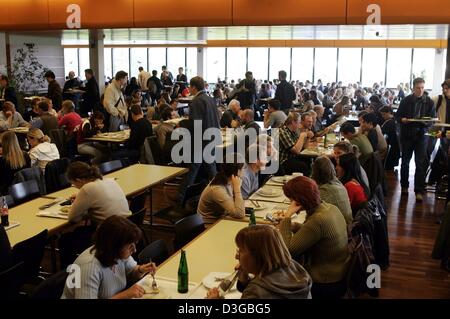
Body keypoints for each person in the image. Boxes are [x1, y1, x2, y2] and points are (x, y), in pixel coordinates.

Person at [279, 176, 349, 299]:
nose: (290, 203)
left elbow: (288, 251)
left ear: (298, 201)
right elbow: (313, 233)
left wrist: (287, 217)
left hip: (325, 282)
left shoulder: (317, 220)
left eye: (291, 200)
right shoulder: (329, 208)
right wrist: (293, 226)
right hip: (340, 272)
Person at [61, 215, 156, 299]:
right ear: (114, 245)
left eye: (134, 244)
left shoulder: (118, 254)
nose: (134, 250)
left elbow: (131, 272)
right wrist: (125, 295)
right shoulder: (90, 267)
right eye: (129, 246)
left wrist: (141, 269)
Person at [207, 225, 312, 299]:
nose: (237, 256)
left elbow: (261, 292)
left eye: (241, 250)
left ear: (258, 255)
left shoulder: (255, 292)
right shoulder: (295, 268)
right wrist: (245, 280)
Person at [178, 76, 220, 203]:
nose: (189, 89)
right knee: (210, 167)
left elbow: (195, 123)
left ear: (194, 87)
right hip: (212, 135)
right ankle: (220, 194)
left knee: (192, 169)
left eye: (190, 87)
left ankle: (181, 198)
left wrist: (182, 123)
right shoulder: (211, 99)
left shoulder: (196, 101)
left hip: (201, 139)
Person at [395, 77, 436, 201]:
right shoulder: (406, 100)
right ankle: (404, 187)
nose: (420, 90)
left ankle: (418, 190)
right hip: (407, 135)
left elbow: (433, 119)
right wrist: (402, 119)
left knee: (420, 164)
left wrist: (426, 123)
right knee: (405, 162)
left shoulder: (429, 101)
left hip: (421, 136)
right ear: (413, 88)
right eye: (418, 88)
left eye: (422, 87)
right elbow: (397, 116)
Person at [66, 161, 130, 225]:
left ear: (78, 180)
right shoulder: (110, 181)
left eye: (73, 184)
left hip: (111, 230)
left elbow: (73, 218)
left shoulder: (87, 188)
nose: (74, 186)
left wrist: (83, 210)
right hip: (128, 224)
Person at [197, 153, 245, 226]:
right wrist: (237, 189)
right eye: (243, 168)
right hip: (210, 227)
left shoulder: (227, 179)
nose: (244, 171)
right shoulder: (217, 189)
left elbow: (237, 207)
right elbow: (239, 214)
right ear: (237, 171)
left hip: (223, 219)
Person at [311, 156, 352, 225]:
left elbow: (312, 211)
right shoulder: (338, 183)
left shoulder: (325, 190)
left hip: (340, 228)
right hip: (347, 226)